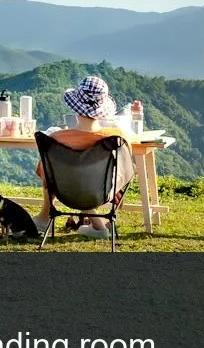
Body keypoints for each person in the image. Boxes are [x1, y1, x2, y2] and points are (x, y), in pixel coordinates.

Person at [36, 75, 139, 238]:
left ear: (76, 108)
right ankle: (99, 226)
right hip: (103, 193)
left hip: (66, 192)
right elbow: (127, 172)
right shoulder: (115, 138)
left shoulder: (56, 138)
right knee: (87, 180)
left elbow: (46, 175)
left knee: (62, 177)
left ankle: (43, 217)